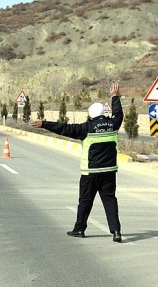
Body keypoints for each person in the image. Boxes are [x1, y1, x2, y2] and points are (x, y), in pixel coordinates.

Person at [30, 82, 124, 242]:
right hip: (109, 172)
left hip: (90, 173)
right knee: (110, 201)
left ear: (90, 115)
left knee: (85, 201)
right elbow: (119, 113)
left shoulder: (86, 128)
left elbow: (64, 128)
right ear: (103, 113)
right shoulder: (113, 125)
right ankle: (116, 232)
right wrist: (115, 96)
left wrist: (44, 124)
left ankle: (79, 229)